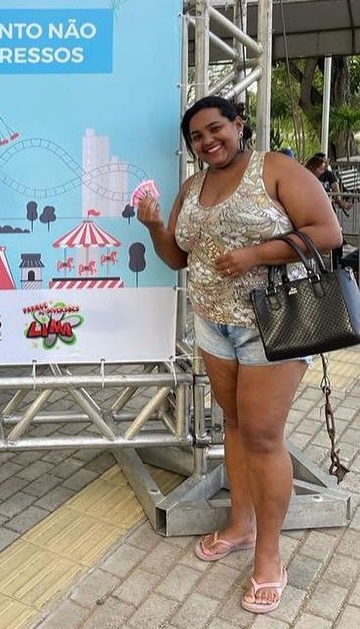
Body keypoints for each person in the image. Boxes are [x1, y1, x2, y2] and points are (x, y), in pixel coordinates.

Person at [137, 95, 341, 615]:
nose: (208, 142)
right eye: (197, 138)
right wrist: (156, 226)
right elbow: (178, 257)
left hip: (272, 323)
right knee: (231, 424)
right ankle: (242, 525)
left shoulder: (275, 169)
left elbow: (328, 233)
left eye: (215, 129)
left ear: (238, 124)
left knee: (262, 435)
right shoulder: (193, 186)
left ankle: (270, 557)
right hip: (212, 324)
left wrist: (255, 253)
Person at [305, 152, 351, 267]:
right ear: (314, 167)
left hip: (324, 210)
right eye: (320, 168)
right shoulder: (306, 177)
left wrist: (339, 201)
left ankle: (337, 263)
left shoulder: (328, 175)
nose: (323, 170)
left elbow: (336, 191)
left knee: (335, 235)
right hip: (310, 212)